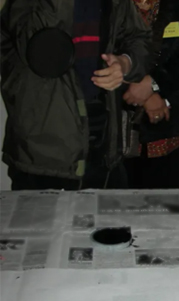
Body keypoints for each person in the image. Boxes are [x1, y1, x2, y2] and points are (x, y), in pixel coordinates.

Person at [1, 0, 151, 190]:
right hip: (45, 148)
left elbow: (139, 39)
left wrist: (124, 63)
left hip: (104, 138)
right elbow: (41, 53)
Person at [123, 0, 179, 189]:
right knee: (112, 204)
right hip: (115, 124)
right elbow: (99, 53)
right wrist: (144, 93)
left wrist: (153, 84)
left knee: (163, 203)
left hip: (167, 123)